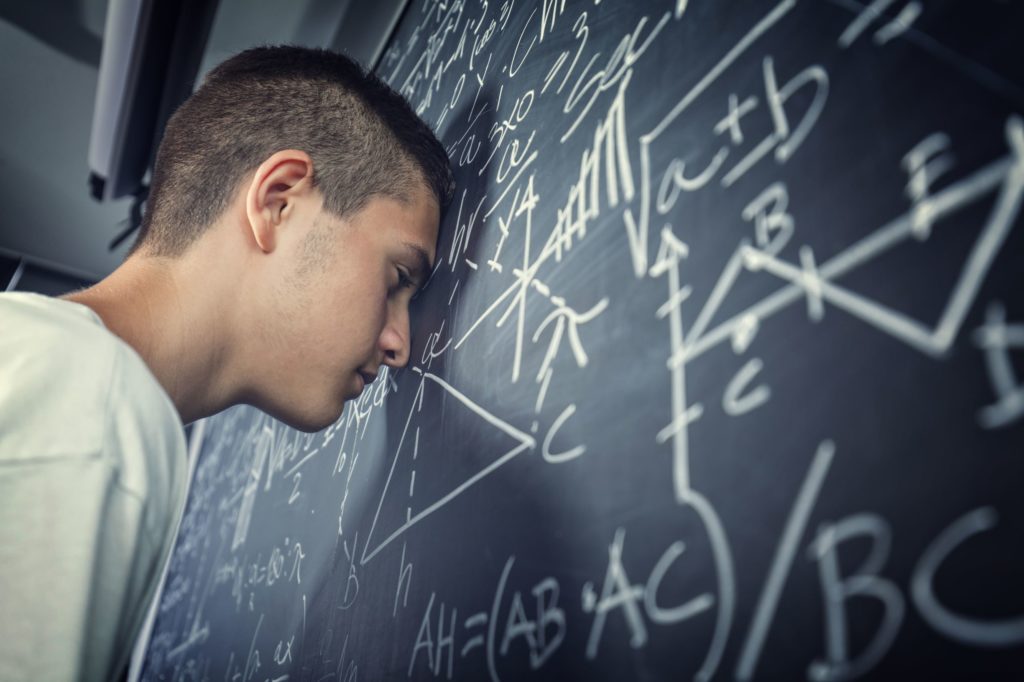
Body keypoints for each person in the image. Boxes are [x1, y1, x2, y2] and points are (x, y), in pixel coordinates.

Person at [0, 45, 453, 681]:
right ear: (279, 201)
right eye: (398, 276)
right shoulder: (91, 401)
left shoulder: (36, 358)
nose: (400, 342)